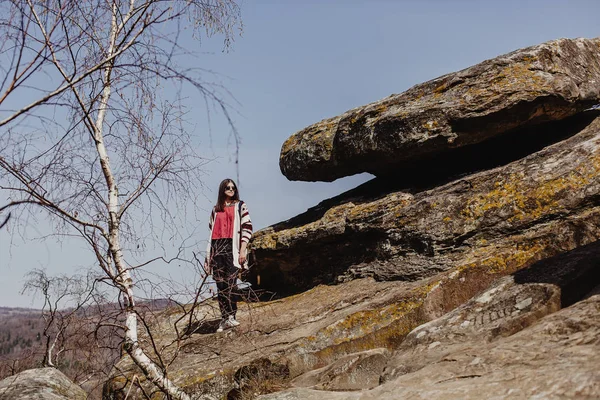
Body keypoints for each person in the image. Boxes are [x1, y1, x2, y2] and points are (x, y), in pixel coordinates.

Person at [205, 179, 253, 332]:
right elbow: (211, 231)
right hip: (217, 247)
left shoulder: (240, 206)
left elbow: (247, 228)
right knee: (220, 284)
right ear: (222, 190)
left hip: (232, 247)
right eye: (227, 188)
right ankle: (224, 318)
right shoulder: (215, 209)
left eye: (233, 187)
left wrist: (242, 250)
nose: (231, 190)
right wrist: (209, 257)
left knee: (231, 281)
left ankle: (232, 316)